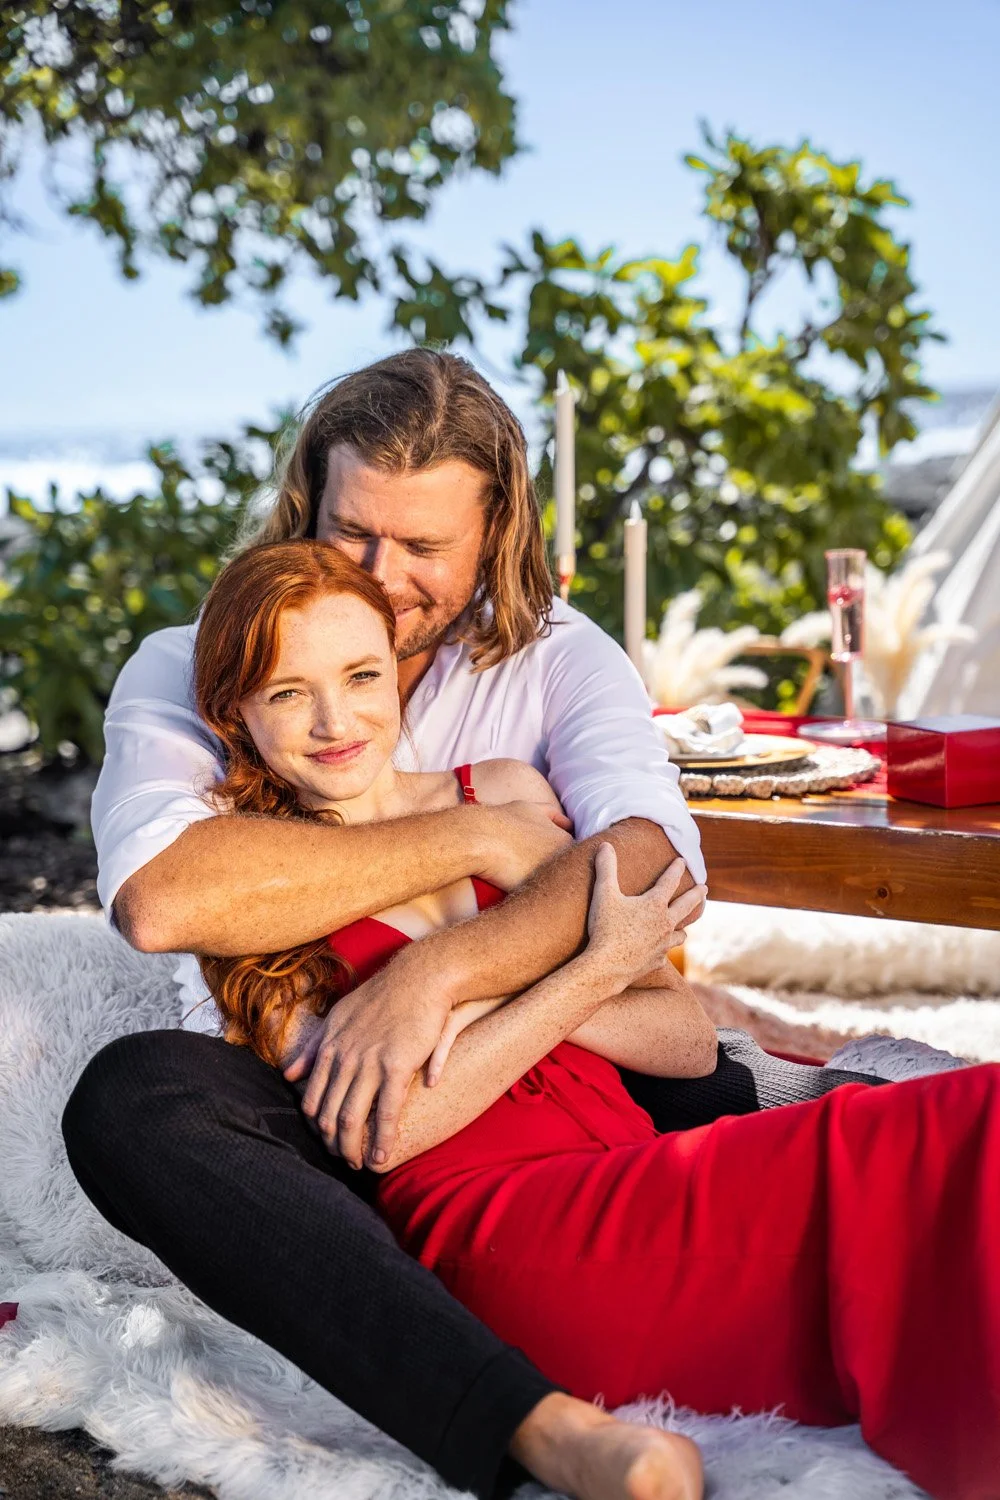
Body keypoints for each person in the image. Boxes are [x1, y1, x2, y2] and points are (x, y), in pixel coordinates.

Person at [61, 350, 876, 1500]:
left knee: (742, 1078)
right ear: (306, 502)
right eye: (353, 534)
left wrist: (437, 973)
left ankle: (800, 1133)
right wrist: (474, 828)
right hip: (323, 1094)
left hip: (555, 1066)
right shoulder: (202, 661)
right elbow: (170, 895)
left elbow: (646, 867)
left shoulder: (556, 657)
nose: (385, 579)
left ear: (495, 534)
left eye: (425, 548)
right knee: (139, 1099)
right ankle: (534, 1427)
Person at [196, 538, 999, 1500]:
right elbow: (388, 1130)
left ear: (398, 672)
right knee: (949, 1127)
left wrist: (468, 992)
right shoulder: (255, 897)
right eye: (287, 692)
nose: (337, 720)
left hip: (641, 1168)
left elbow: (684, 1036)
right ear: (233, 712)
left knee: (958, 1129)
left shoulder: (497, 797)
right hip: (506, 1234)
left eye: (362, 674)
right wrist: (584, 978)